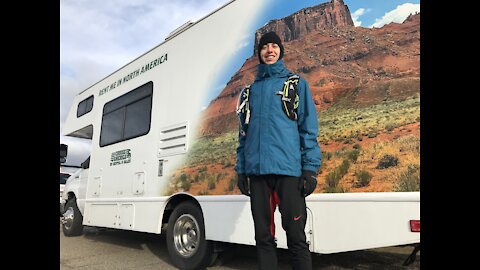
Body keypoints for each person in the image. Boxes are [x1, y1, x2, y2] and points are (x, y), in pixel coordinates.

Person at [235, 31, 322, 270]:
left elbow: (308, 128)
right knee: (263, 239)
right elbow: (243, 135)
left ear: (280, 51)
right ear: (259, 53)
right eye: (265, 47)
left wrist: (310, 170)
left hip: (289, 172)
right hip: (258, 174)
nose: (269, 50)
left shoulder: (295, 85)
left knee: (296, 238)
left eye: (274, 46)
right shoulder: (248, 93)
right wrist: (242, 171)